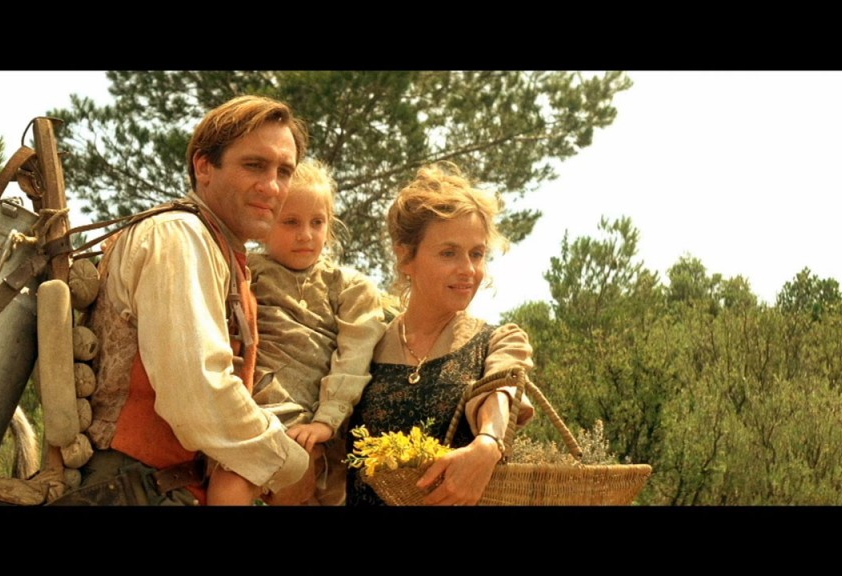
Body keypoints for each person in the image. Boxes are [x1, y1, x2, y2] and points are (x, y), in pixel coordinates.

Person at [73, 95, 312, 506]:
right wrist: (289, 462)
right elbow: (198, 395)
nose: (272, 186)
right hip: (137, 490)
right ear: (204, 166)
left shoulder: (223, 251)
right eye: (254, 165)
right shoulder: (180, 236)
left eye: (284, 171)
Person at [346, 161, 537, 506]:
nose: (468, 270)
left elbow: (502, 387)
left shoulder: (497, 341)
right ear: (406, 257)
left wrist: (488, 443)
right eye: (449, 253)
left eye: (477, 254)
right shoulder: (363, 344)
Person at [206, 158, 386, 506]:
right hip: (248, 415)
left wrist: (326, 421)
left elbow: (354, 357)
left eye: (317, 223)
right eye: (290, 222)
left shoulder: (348, 287)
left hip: (314, 422)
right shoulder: (244, 271)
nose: (306, 235)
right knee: (229, 485)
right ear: (265, 225)